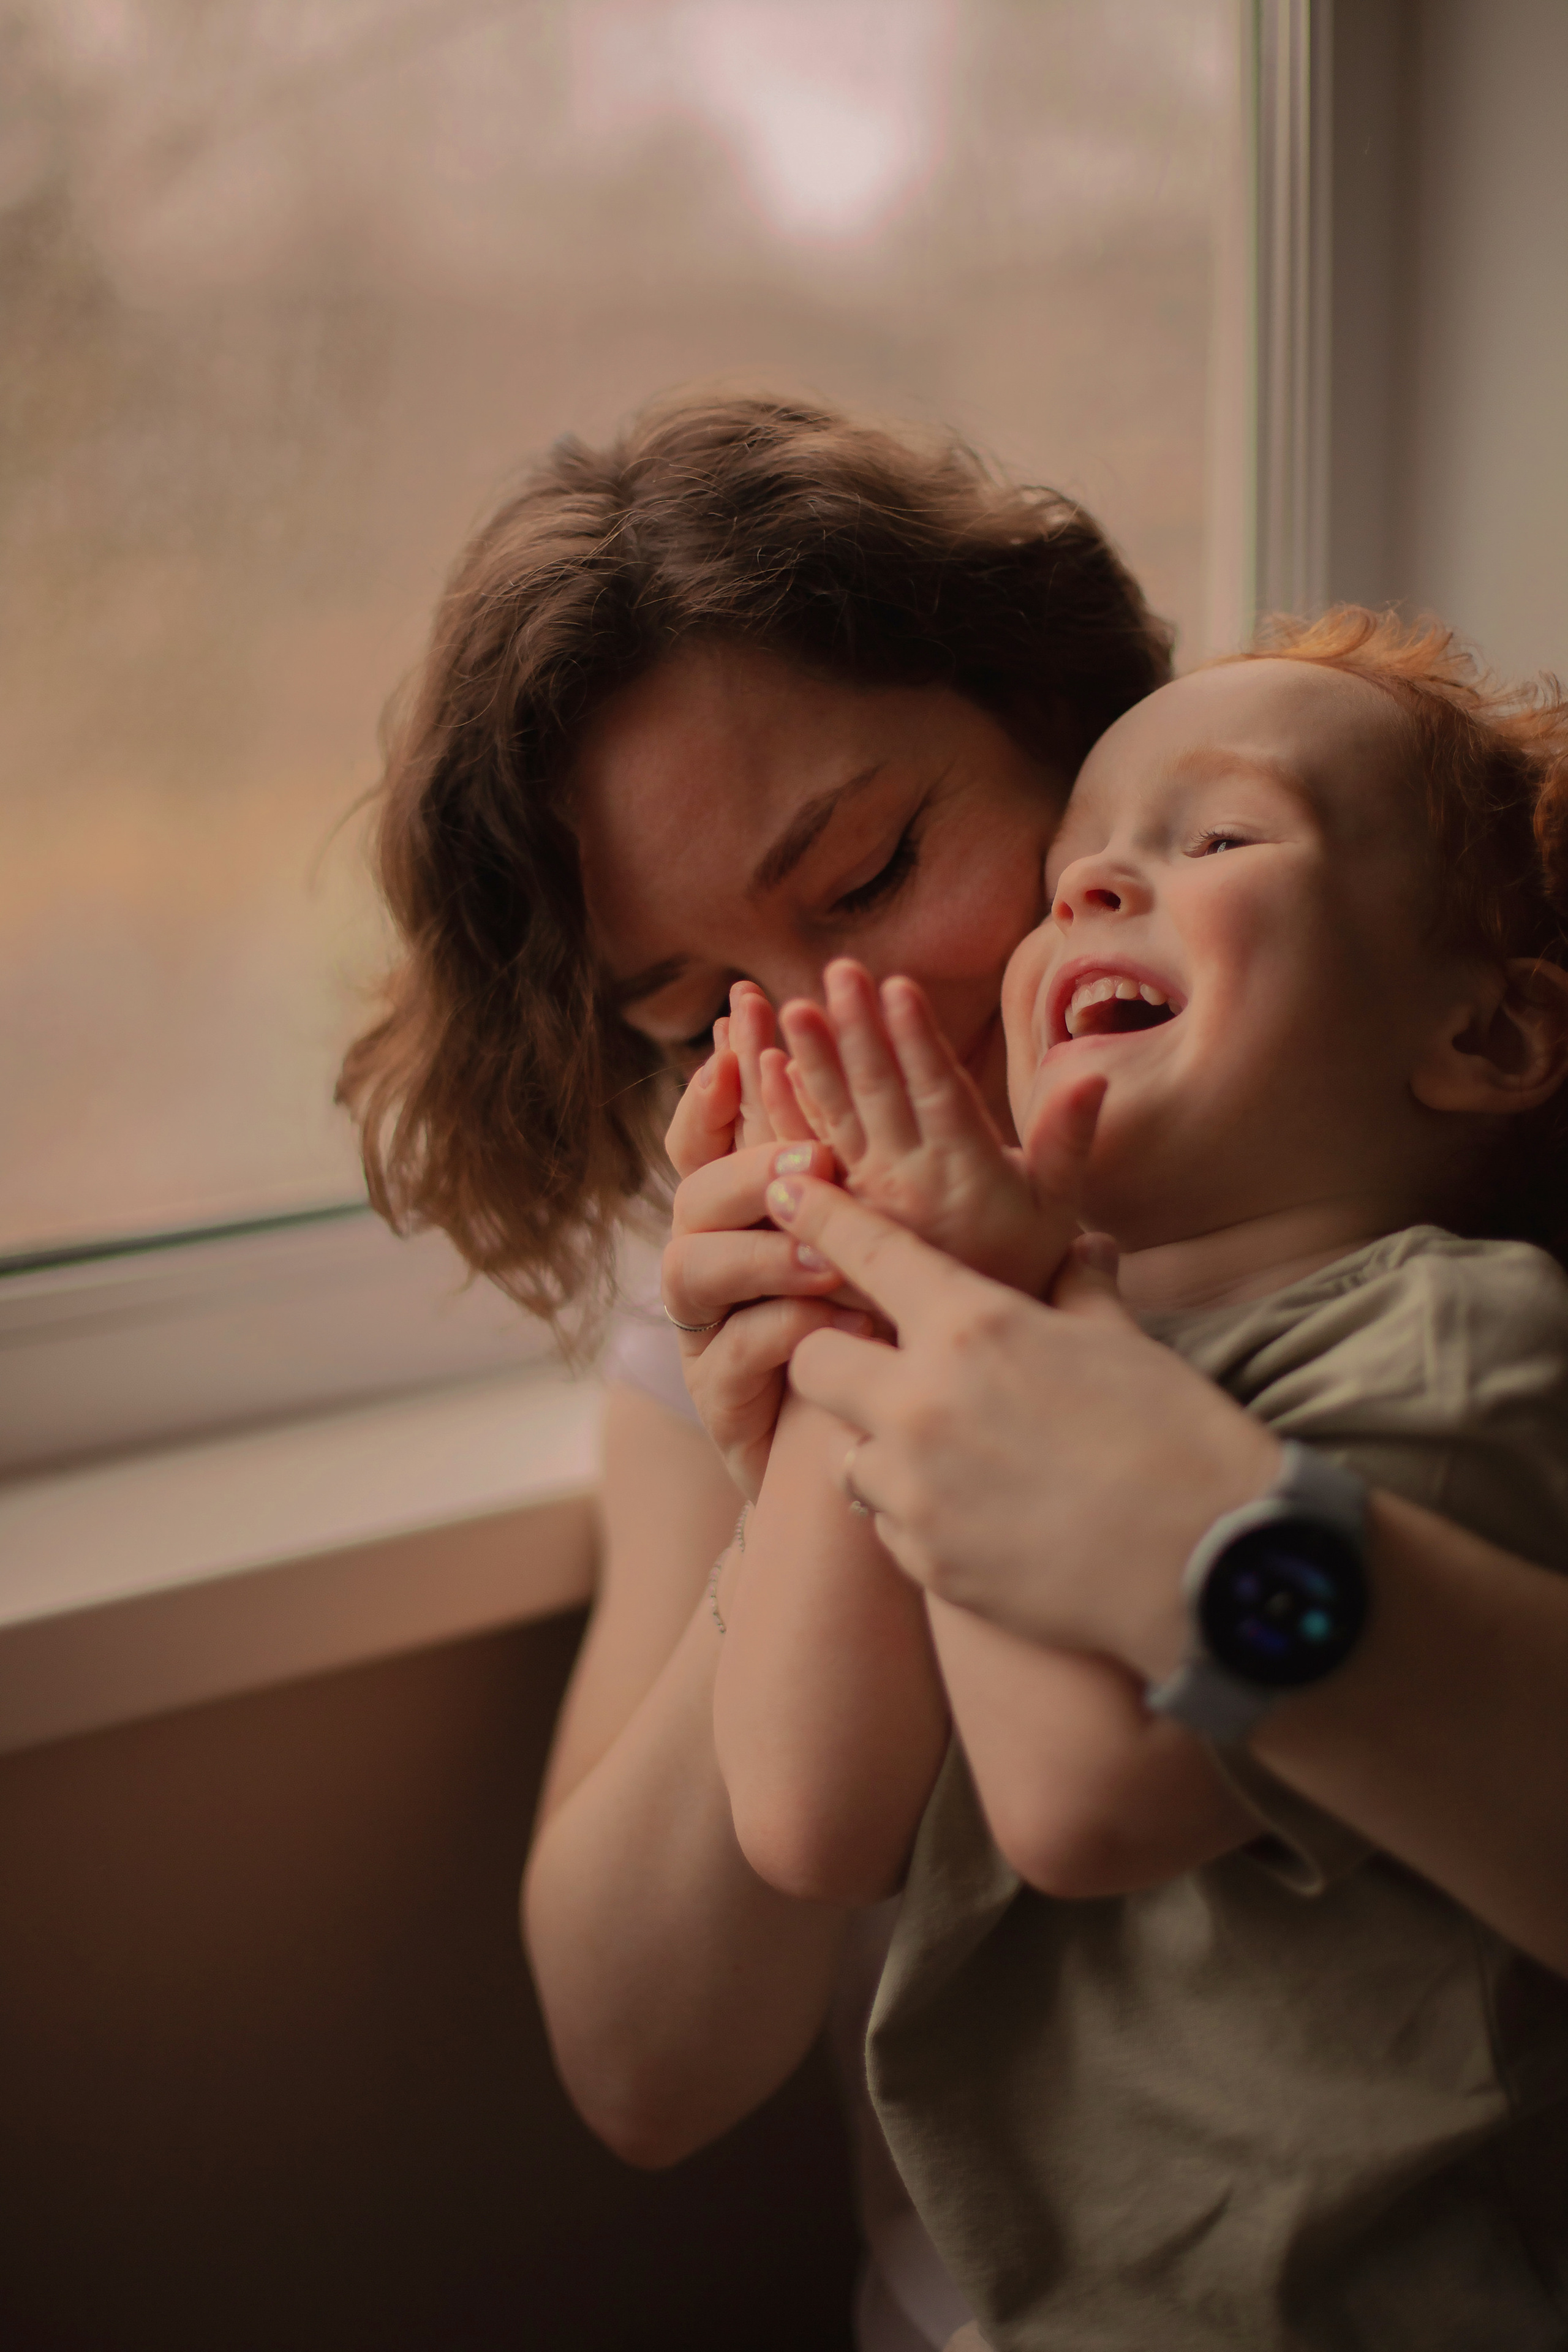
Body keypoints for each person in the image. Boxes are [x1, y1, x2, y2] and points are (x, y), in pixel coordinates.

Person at [338, 389, 1175, 2350]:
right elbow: (645, 2067)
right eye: (705, 1005)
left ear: (1078, 732)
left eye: (872, 874)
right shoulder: (729, 1293)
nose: (825, 1033)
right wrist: (803, 1442)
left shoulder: (1409, 1162)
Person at [729, 608, 1568, 2346]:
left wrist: (993, 1297)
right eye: (1074, 871)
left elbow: (1085, 1804)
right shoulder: (1037, 1336)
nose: (1100, 888)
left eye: (1219, 837)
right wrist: (849, 1278)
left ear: (1482, 1039)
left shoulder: (1456, 1340)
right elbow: (811, 1813)